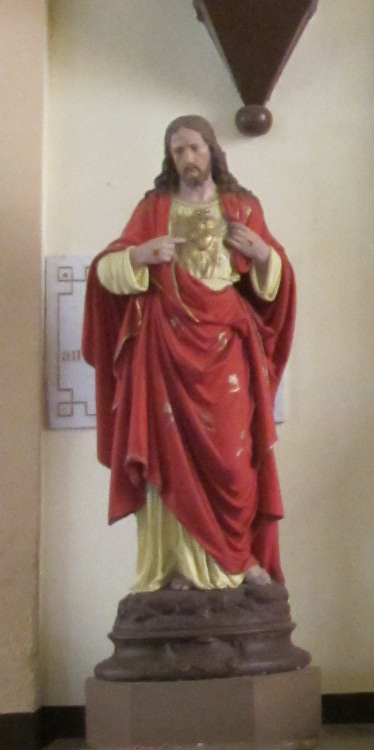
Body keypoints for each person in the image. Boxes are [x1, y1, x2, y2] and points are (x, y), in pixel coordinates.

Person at [83, 116, 295, 590]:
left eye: (195, 148)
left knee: (235, 460)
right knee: (170, 455)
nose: (188, 158)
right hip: (165, 347)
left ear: (212, 150)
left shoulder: (241, 206)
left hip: (227, 349)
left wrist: (263, 255)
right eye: (178, 150)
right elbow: (104, 271)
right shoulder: (154, 208)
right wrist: (140, 256)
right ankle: (177, 565)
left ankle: (238, 559)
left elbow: (276, 285)